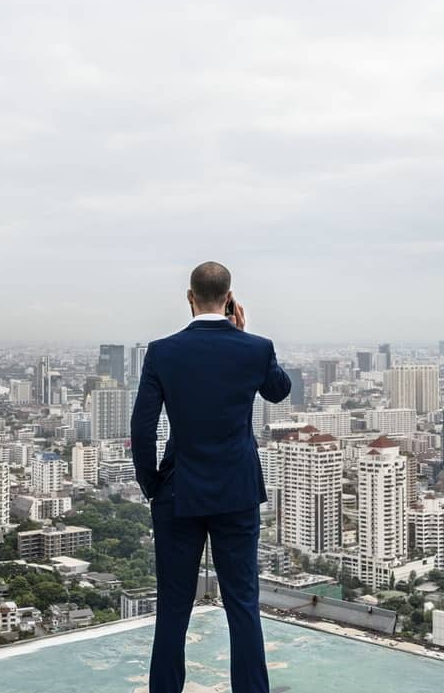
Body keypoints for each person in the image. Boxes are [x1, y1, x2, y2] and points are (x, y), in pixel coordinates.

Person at [130, 261, 291, 693]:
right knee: (242, 605)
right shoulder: (255, 348)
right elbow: (279, 389)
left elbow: (142, 429)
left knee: (173, 609)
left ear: (190, 297)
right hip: (237, 493)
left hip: (178, 493)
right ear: (230, 297)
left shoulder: (163, 351)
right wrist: (242, 333)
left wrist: (152, 486)